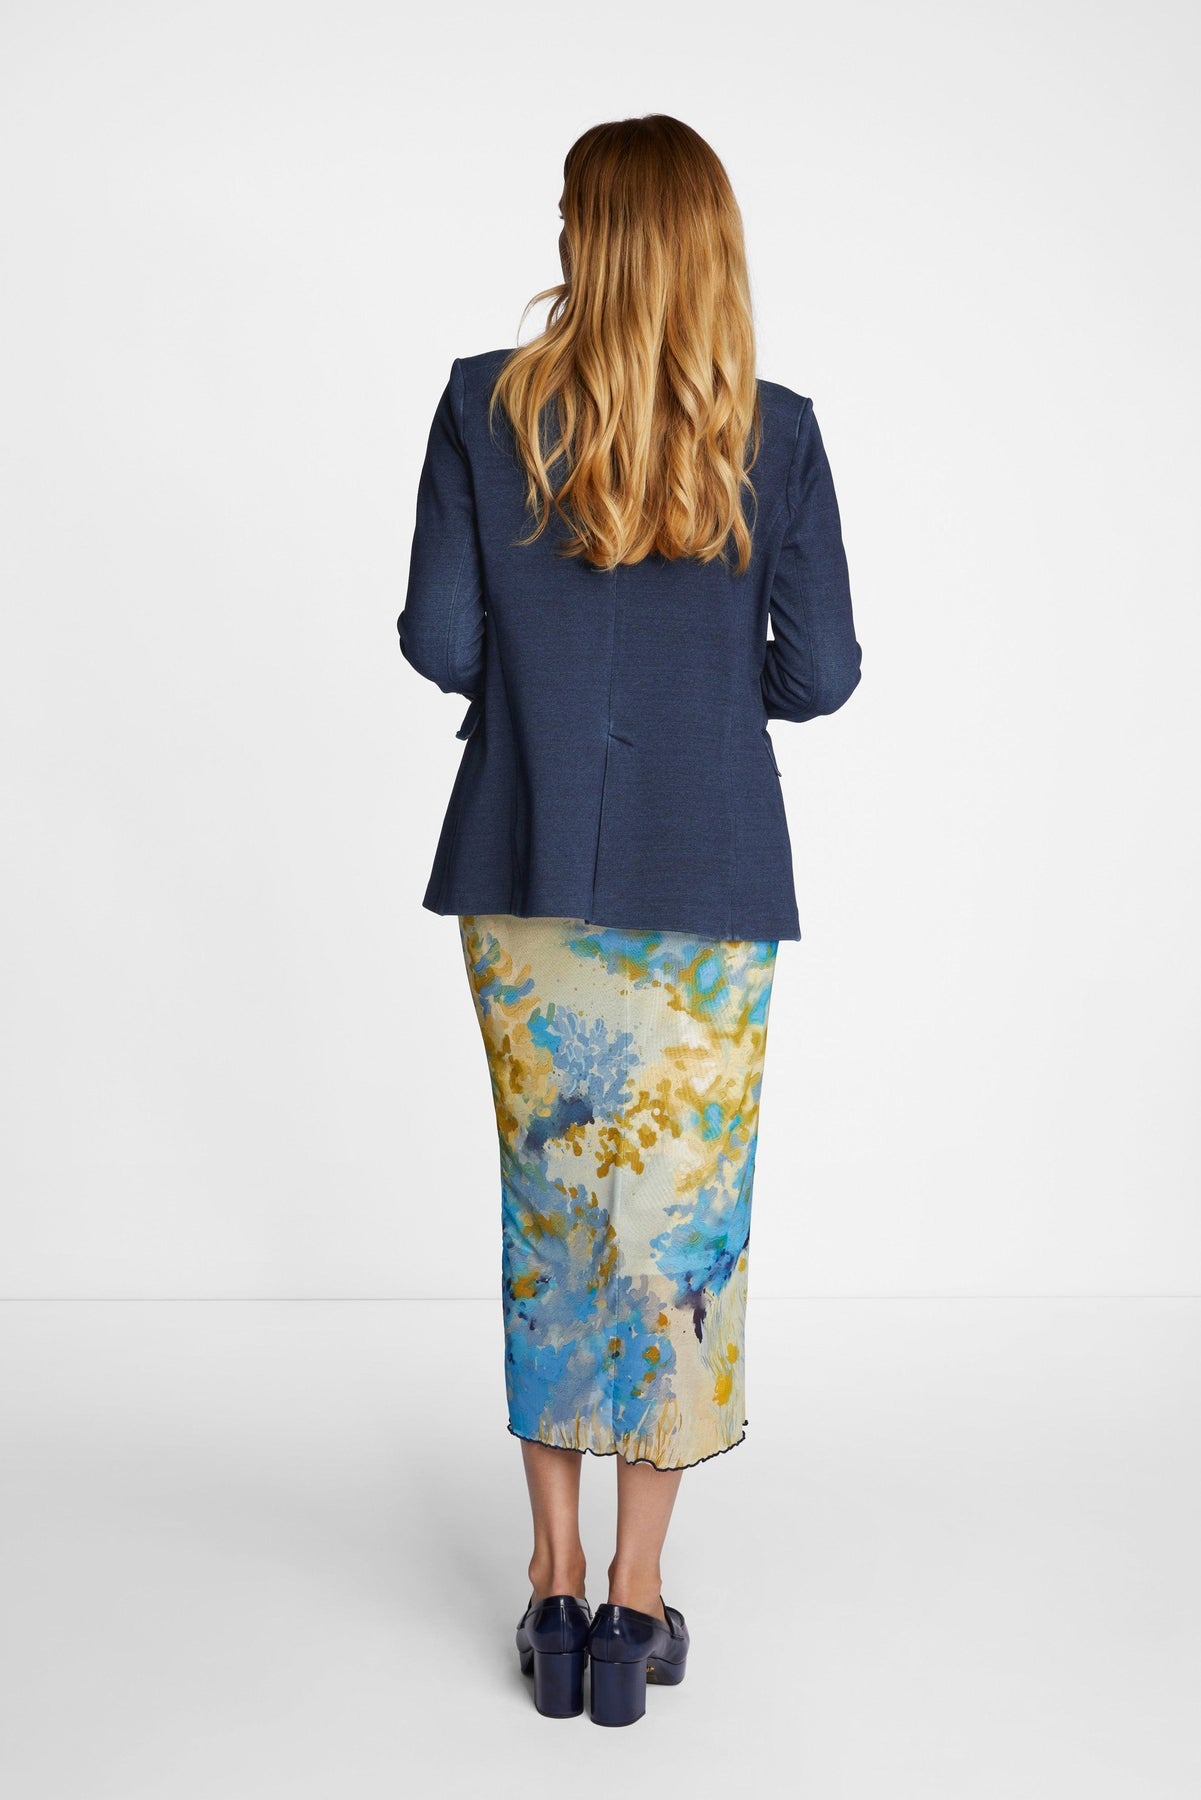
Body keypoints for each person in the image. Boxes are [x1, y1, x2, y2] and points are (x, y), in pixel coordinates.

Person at [397, 113, 862, 1726]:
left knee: (553, 1222)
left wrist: (545, 677)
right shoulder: (774, 433)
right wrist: (701, 690)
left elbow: (441, 641)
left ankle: (549, 1589)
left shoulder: (482, 404)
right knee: (679, 1237)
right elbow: (820, 673)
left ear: (585, 239)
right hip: (706, 878)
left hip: (523, 867)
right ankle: (634, 1603)